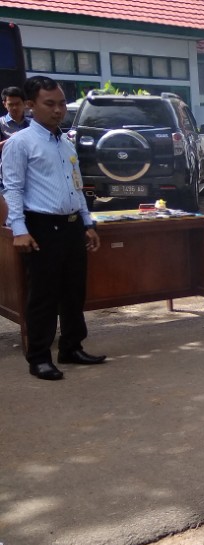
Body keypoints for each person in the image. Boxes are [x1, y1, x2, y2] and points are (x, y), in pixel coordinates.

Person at [2, 76, 104, 380]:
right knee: (44, 295)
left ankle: (71, 347)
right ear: (31, 106)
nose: (58, 110)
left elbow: (76, 186)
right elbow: (13, 189)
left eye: (61, 103)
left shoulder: (64, 142)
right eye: (50, 104)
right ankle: (39, 357)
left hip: (72, 226)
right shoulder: (20, 143)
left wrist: (87, 223)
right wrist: (19, 229)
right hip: (42, 227)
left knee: (74, 291)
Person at [0, 86, 31, 150]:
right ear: (4, 104)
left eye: (18, 104)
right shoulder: (1, 124)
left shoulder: (33, 123)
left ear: (24, 103)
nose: (14, 108)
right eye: (11, 104)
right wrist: (12, 140)